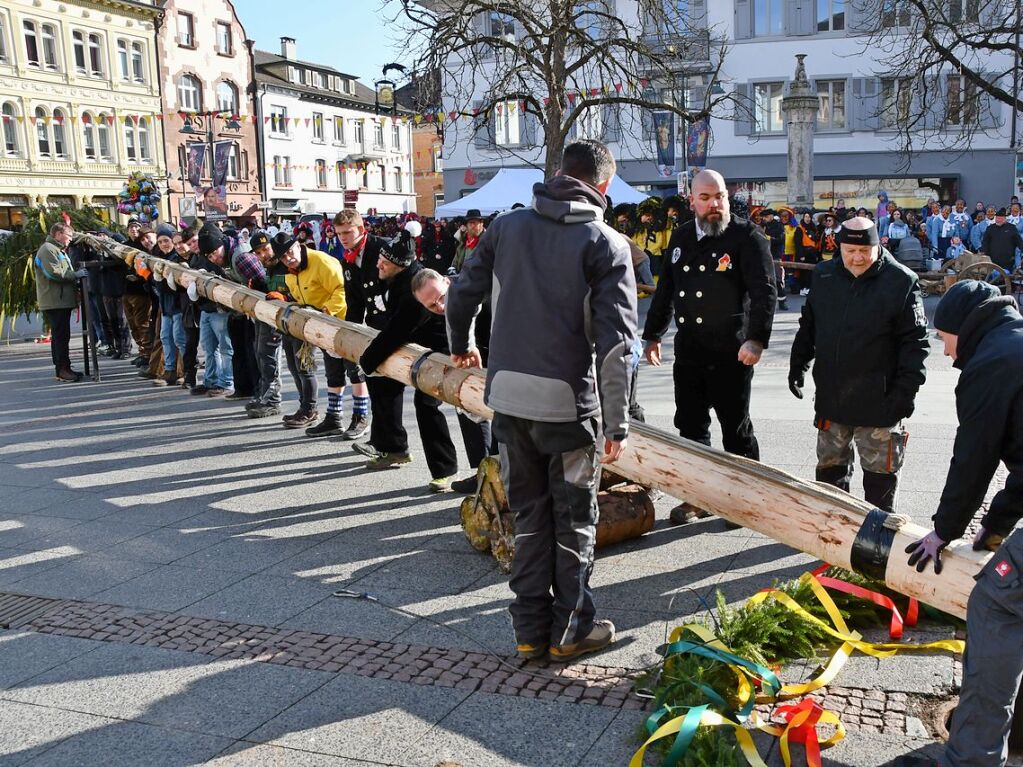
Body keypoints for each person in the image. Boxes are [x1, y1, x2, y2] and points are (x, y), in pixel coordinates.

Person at [446, 139, 638, 662]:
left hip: (507, 400)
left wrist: (461, 344)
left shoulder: (506, 228)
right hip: (569, 407)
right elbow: (617, 346)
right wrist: (616, 424)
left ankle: (529, 632)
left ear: (556, 173)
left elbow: (461, 290)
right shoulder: (607, 244)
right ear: (602, 187)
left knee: (529, 518)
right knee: (574, 520)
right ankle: (571, 630)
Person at [897, 280, 1023, 767]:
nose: (947, 354)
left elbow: (973, 461)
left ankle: (971, 758)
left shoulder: (991, 364)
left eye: (944, 339)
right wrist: (993, 529)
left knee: (998, 605)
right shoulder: (1013, 344)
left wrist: (943, 531)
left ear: (965, 328)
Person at [644, 169, 776, 526]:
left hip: (733, 351)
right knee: (690, 426)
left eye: (719, 196)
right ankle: (697, 497)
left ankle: (747, 498)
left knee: (735, 428)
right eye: (705, 198)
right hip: (690, 350)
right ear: (692, 201)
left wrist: (757, 339)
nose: (714, 204)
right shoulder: (682, 236)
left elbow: (765, 291)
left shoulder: (747, 237)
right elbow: (667, 289)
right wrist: (652, 334)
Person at [789, 217, 928, 512]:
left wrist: (906, 393)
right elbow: (809, 325)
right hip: (832, 395)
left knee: (880, 478)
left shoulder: (901, 281)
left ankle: (876, 540)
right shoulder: (824, 275)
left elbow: (915, 344)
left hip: (880, 400)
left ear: (879, 246)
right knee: (830, 471)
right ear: (839, 247)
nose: (857, 258)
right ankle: (833, 532)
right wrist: (798, 363)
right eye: (850, 250)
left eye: (865, 250)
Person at [357, 230, 459, 490]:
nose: (379, 264)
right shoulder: (392, 274)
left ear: (400, 266)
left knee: (426, 403)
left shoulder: (414, 287)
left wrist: (366, 361)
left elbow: (396, 331)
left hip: (441, 348)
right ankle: (393, 448)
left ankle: (444, 471)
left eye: (385, 263)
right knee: (382, 382)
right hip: (414, 344)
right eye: (380, 259)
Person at [411, 267, 497, 493]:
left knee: (502, 415)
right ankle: (481, 470)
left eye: (441, 298)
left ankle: (499, 472)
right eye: (431, 305)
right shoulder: (433, 310)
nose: (439, 306)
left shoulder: (477, 288)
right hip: (471, 356)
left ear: (447, 282)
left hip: (502, 351)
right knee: (465, 401)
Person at [271, 232, 348, 430]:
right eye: (283, 257)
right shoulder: (289, 268)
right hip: (306, 320)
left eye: (290, 252)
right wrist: (285, 298)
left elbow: (341, 290)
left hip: (331, 322)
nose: (288, 258)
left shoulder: (321, 261)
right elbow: (300, 293)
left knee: (332, 372)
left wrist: (326, 311)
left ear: (298, 245)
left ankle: (320, 411)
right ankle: (306, 407)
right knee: (296, 365)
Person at [33, 222, 85, 382]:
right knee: (61, 336)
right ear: (58, 234)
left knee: (61, 336)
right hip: (55, 301)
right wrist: (76, 275)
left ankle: (64, 367)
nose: (70, 239)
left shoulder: (55, 249)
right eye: (68, 236)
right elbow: (54, 273)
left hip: (59, 300)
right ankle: (62, 369)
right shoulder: (48, 249)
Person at [188, 223, 235, 397]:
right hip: (204, 308)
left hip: (218, 309)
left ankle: (226, 382)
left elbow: (224, 278)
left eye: (195, 241)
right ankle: (211, 380)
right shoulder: (198, 256)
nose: (193, 245)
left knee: (225, 348)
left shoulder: (218, 255)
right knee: (209, 349)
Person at [246, 231, 288, 418]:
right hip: (265, 314)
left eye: (266, 249)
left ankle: (272, 400)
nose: (263, 254)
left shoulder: (283, 264)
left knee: (270, 356)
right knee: (261, 353)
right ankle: (264, 395)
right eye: (258, 252)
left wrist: (284, 298)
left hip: (279, 317)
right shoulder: (267, 268)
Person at [152, 223, 186, 386]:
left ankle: (185, 370)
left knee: (179, 338)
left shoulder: (176, 257)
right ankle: (170, 370)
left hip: (177, 304)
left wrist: (161, 282)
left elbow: (176, 285)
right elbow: (158, 284)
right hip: (166, 306)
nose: (164, 244)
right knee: (166, 337)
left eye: (166, 240)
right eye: (160, 242)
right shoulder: (159, 257)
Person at [451, 209, 484, 274]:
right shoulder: (463, 242)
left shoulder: (487, 241)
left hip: (479, 280)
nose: (472, 226)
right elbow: (455, 262)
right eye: (470, 223)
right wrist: (452, 269)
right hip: (462, 279)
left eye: (474, 223)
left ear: (481, 224)